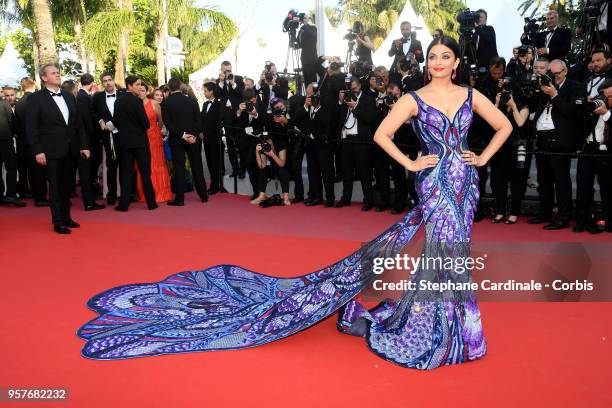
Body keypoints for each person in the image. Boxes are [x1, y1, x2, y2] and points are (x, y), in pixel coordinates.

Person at [78, 37, 512, 369]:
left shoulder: (471, 96)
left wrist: (483, 156)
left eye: (445, 57)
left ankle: (454, 325)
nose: (438, 63)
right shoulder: (412, 99)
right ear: (429, 63)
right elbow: (380, 135)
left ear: (456, 63)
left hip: (464, 183)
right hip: (436, 182)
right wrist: (414, 163)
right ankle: (443, 328)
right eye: (433, 57)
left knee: (456, 252)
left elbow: (504, 127)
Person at [26, 63, 90, 234]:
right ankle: (57, 222)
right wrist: (38, 150)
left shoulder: (69, 97)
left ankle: (67, 217)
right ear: (44, 78)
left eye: (58, 72)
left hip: (70, 149)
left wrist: (84, 145)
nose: (57, 75)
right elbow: (31, 128)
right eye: (53, 73)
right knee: (54, 187)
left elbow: (78, 124)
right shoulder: (35, 99)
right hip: (50, 150)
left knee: (67, 187)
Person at [528, 59, 582, 230]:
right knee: (543, 180)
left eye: (558, 74)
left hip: (560, 139)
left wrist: (554, 95)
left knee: (561, 180)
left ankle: (563, 217)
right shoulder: (545, 86)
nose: (555, 77)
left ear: (565, 71)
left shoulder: (575, 87)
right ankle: (544, 212)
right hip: (542, 138)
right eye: (552, 74)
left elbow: (571, 112)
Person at [112, 75, 157, 212]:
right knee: (145, 173)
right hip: (140, 143)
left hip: (125, 143)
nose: (139, 87)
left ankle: (124, 205)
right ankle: (151, 203)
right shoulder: (137, 102)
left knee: (126, 174)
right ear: (129, 86)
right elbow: (145, 123)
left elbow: (115, 122)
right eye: (137, 84)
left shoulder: (118, 101)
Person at [161, 77, 208, 205]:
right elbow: (199, 120)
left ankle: (180, 199)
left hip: (177, 140)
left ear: (169, 88)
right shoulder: (192, 100)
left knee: (179, 168)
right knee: (197, 166)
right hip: (193, 140)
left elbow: (168, 123)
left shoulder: (166, 103)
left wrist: (182, 135)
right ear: (181, 86)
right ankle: (204, 195)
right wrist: (192, 135)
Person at [135, 83, 172, 203]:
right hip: (141, 138)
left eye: (142, 90)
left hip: (155, 138)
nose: (140, 92)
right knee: (145, 165)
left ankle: (161, 193)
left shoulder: (154, 103)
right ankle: (146, 194)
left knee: (157, 164)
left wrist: (155, 130)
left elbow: (160, 122)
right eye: (138, 90)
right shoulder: (135, 104)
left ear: (147, 92)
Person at [14, 77, 48, 206]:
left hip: (23, 141)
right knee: (38, 171)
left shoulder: (19, 102)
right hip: (35, 141)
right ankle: (40, 197)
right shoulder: (34, 99)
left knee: (30, 170)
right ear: (33, 84)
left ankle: (35, 194)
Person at [92, 72, 123, 205]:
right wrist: (100, 121)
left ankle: (126, 193)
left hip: (124, 135)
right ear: (102, 83)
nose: (108, 83)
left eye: (110, 80)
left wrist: (118, 124)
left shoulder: (123, 95)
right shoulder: (97, 97)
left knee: (126, 165)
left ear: (114, 80)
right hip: (107, 136)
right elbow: (93, 112)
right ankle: (111, 194)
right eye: (105, 81)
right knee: (111, 165)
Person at [0, 94, 25, 207]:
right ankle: (11, 194)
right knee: (12, 168)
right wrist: (15, 132)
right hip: (5, 140)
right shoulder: (4, 103)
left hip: (5, 139)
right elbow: (12, 121)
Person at [474, 9, 498, 75]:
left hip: (490, 66)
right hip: (476, 66)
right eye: (477, 17)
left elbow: (487, 39)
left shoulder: (490, 29)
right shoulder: (473, 32)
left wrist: (477, 28)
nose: (479, 19)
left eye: (481, 17)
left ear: (486, 19)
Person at [297, 14, 318, 87]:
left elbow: (313, 35)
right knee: (306, 81)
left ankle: (314, 95)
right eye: (303, 18)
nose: (305, 19)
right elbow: (299, 43)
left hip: (312, 58)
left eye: (306, 18)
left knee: (313, 80)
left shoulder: (313, 28)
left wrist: (305, 26)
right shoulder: (301, 30)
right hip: (304, 58)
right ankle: (307, 96)